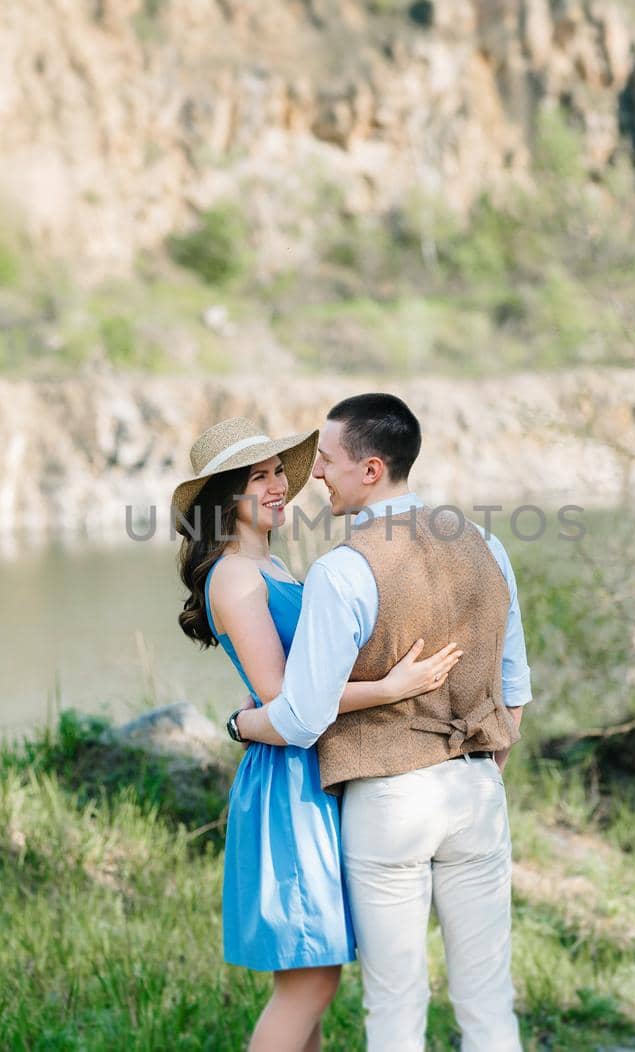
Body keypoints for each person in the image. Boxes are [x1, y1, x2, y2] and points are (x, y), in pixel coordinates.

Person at [231, 394, 533, 1052]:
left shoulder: (342, 570)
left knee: (395, 1007)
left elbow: (304, 716)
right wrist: (486, 773)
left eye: (328, 462)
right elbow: (514, 688)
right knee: (487, 999)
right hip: (476, 790)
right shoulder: (488, 545)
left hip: (388, 799)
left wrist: (242, 724)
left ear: (370, 470)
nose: (314, 476)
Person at [173, 416, 465, 1052]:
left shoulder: (270, 564)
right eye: (259, 476)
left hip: (316, 769)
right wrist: (390, 688)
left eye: (279, 471)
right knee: (310, 983)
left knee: (312, 978)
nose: (279, 485)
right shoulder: (234, 576)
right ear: (226, 499)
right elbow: (284, 700)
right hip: (289, 782)